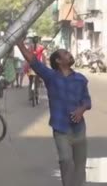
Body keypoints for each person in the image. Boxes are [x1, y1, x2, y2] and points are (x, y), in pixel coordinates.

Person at [17, 39, 91, 186]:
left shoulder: (81, 79)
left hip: (79, 130)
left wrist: (81, 110)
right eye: (65, 53)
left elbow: (87, 101)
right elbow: (32, 60)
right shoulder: (51, 77)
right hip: (61, 129)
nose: (69, 54)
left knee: (80, 167)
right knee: (65, 160)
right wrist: (19, 43)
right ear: (58, 61)